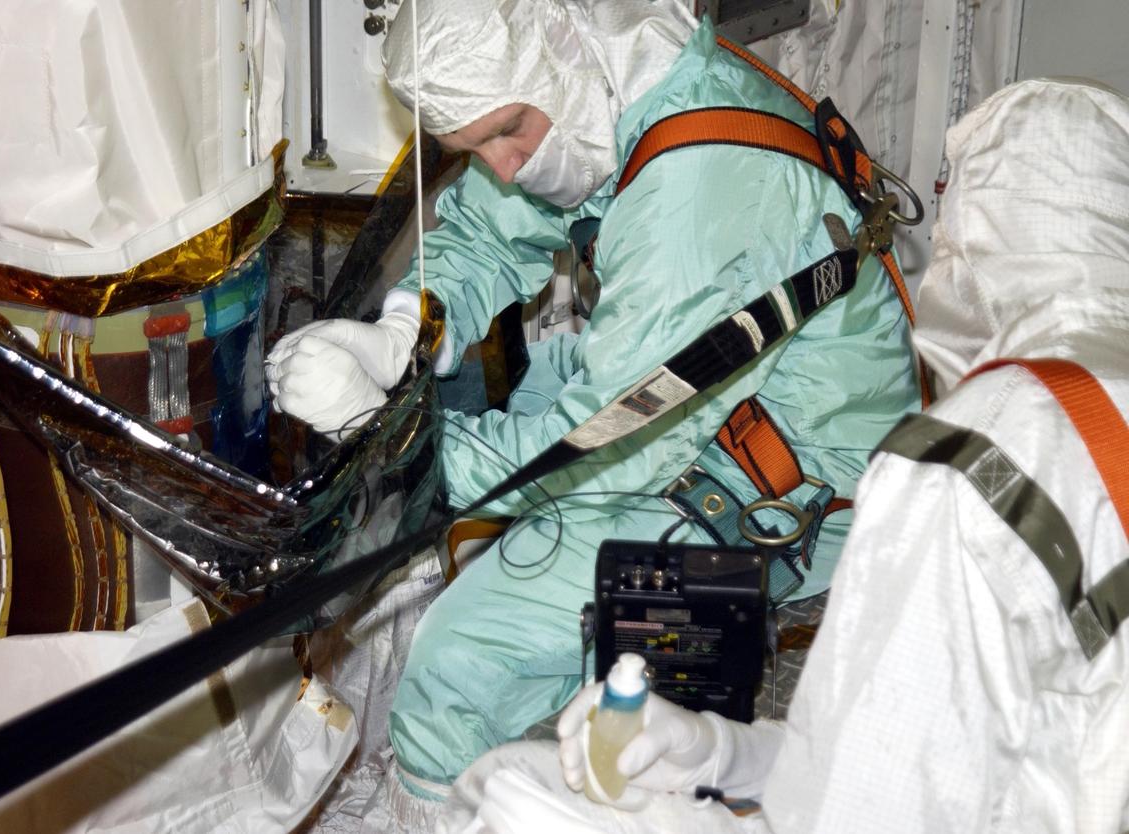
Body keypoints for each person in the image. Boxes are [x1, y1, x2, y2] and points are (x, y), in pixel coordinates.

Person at [265, 0, 920, 824]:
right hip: (727, 410)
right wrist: (405, 329)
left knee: (455, 664)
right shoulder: (620, 84)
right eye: (474, 149)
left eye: (508, 132)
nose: (504, 167)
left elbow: (600, 442)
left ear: (562, 44)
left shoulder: (700, 187)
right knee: (516, 388)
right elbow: (490, 230)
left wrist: (403, 447)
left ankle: (442, 797)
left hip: (791, 488)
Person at [437, 77, 1129, 834]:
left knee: (475, 709)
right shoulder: (1072, 416)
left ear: (977, 241)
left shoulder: (968, 460)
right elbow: (1002, 743)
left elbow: (866, 805)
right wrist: (718, 755)